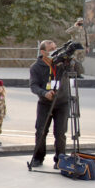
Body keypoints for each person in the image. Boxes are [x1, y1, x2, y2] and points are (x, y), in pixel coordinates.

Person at [29, 39, 72, 168]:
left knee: (60, 133)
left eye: (55, 49)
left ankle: (60, 159)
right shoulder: (36, 67)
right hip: (45, 103)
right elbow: (33, 86)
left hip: (62, 102)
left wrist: (70, 60)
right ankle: (38, 157)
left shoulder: (62, 64)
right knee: (41, 131)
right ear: (43, 52)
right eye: (51, 50)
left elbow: (80, 70)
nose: (54, 52)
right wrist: (43, 93)